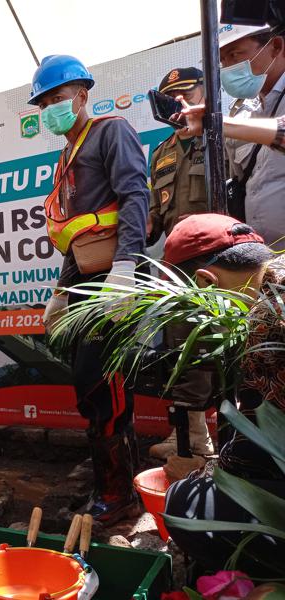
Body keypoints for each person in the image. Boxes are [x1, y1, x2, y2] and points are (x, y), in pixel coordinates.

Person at [29, 55, 149, 524]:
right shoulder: (67, 153)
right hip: (83, 277)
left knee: (106, 384)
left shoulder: (110, 131)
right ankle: (109, 487)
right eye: (44, 103)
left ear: (82, 95)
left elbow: (136, 196)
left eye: (57, 98)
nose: (50, 109)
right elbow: (76, 231)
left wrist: (126, 267)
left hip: (111, 278)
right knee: (88, 384)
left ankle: (119, 495)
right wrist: (61, 290)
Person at [161, 214, 284, 574]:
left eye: (193, 305)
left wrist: (199, 471)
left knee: (183, 505)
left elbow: (259, 450)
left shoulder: (267, 326)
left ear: (205, 282)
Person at [146, 67, 215, 460]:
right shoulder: (162, 152)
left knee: (236, 347)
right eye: (174, 99)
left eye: (190, 94)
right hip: (179, 265)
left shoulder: (224, 135)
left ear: (206, 92)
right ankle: (192, 438)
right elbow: (156, 217)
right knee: (183, 349)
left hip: (227, 261)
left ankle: (248, 439)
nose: (182, 105)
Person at [216, 23, 285, 248]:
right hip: (266, 260)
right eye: (222, 60)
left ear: (275, 46)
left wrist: (217, 123)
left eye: (235, 54)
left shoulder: (232, 123)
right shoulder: (245, 113)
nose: (227, 67)